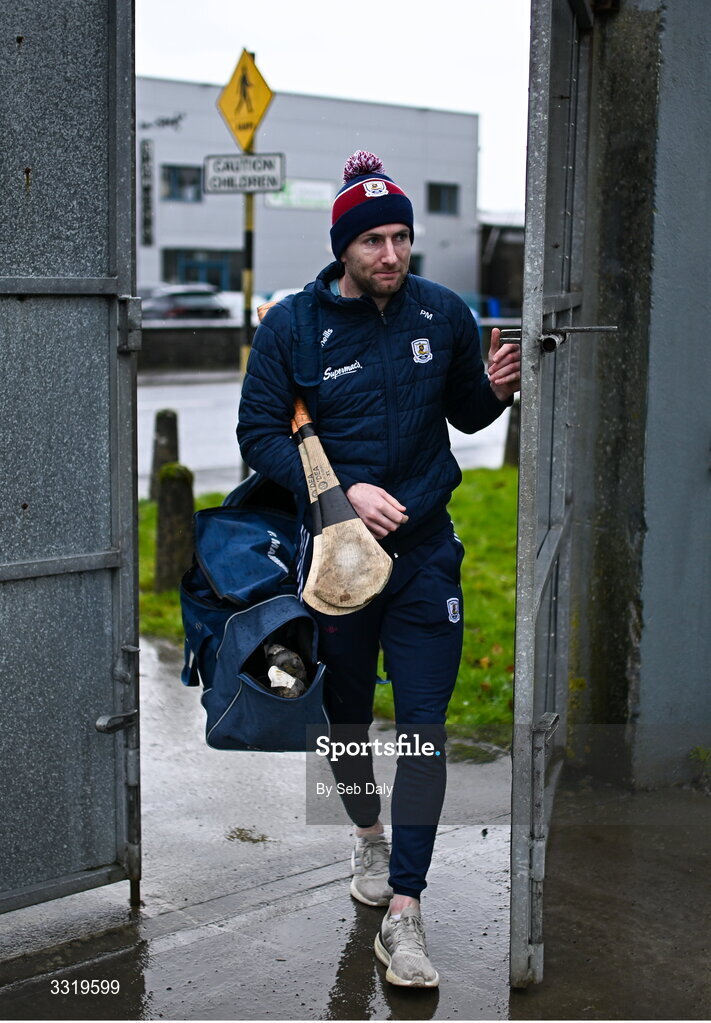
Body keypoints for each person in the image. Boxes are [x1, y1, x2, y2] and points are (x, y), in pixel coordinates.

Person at [237, 150, 520, 988]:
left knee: (425, 722)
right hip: (339, 564)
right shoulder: (292, 325)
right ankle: (367, 835)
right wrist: (343, 491)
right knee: (349, 717)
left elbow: (463, 410)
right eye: (374, 242)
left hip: (426, 552)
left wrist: (495, 392)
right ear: (344, 249)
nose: (391, 255)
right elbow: (258, 435)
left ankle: (405, 909)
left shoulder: (441, 310)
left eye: (401, 237)